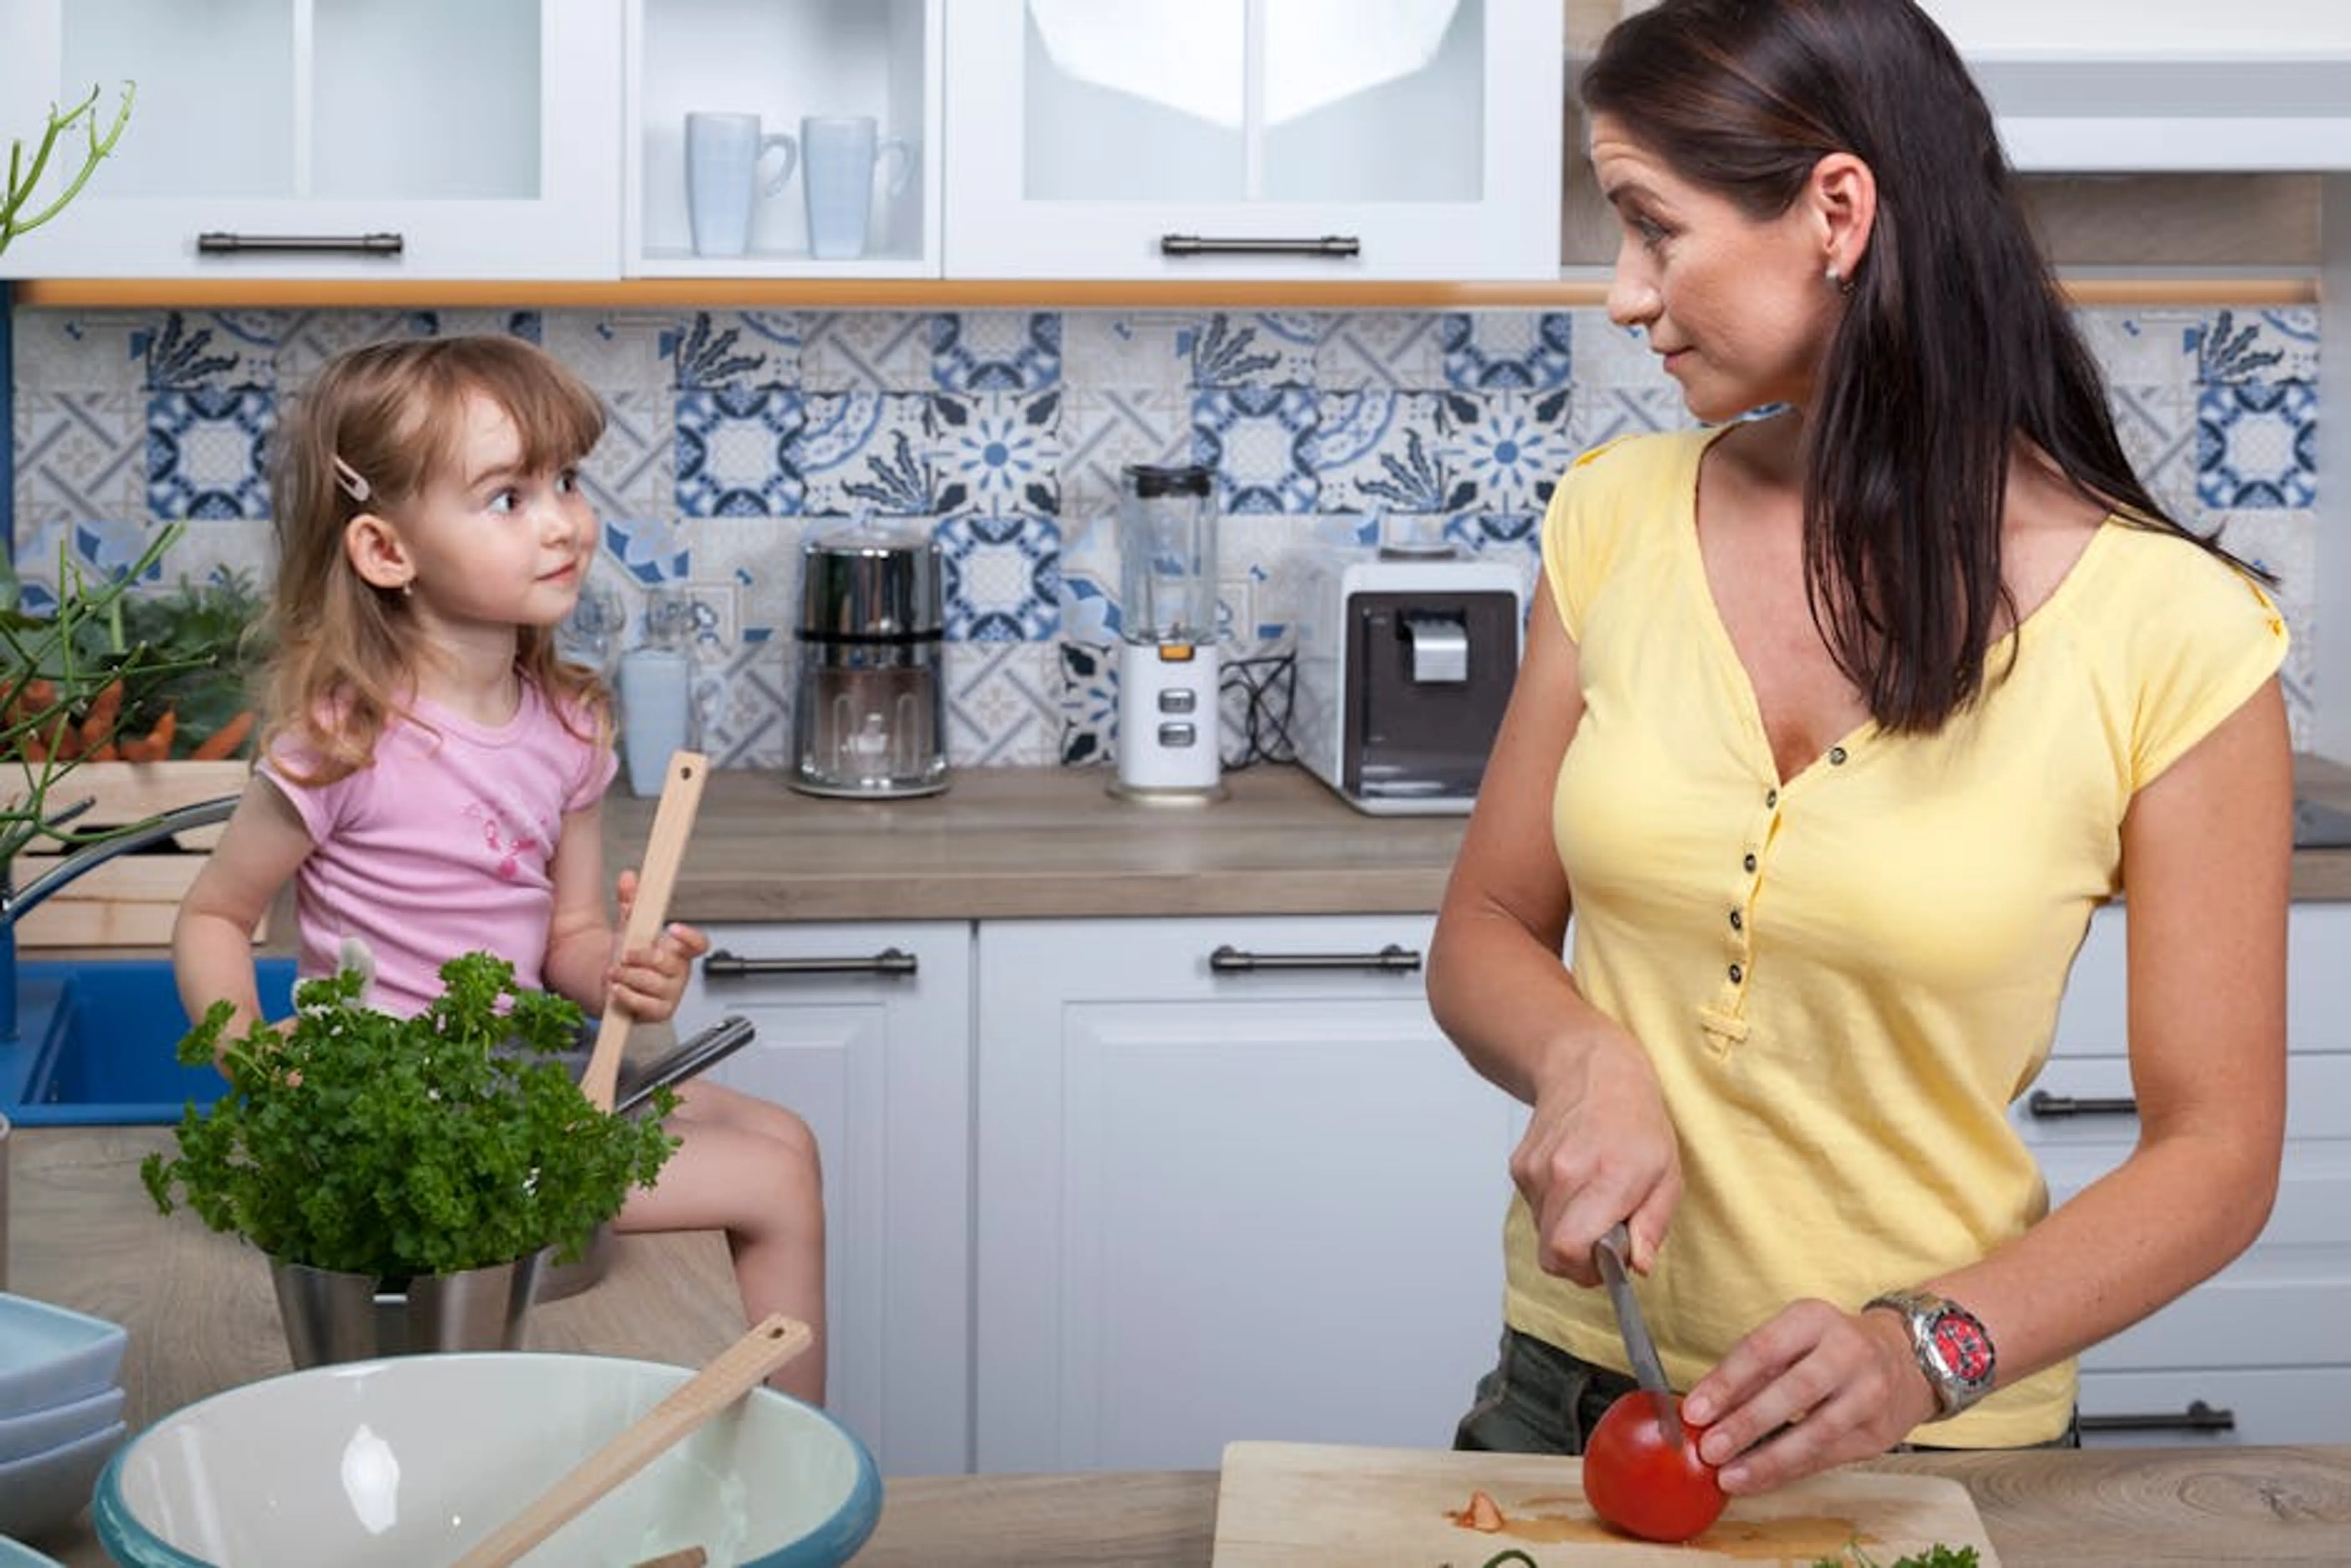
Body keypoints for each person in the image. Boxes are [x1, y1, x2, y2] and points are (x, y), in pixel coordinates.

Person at [1427, 0, 2290, 1496]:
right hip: (1575, 1387)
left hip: (1935, 1438)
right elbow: (1487, 924)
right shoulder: (1613, 515)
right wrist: (1584, 1055)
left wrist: (1920, 1347)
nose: (1624, 295)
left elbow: (2214, 1151)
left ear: (1835, 209)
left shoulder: (2176, 632)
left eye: (1651, 227)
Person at [173, 334, 829, 1403]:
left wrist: (624, 967)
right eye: (507, 497)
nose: (563, 520)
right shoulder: (345, 740)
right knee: (774, 1172)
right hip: (405, 1124)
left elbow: (564, 938)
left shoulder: (568, 725)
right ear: (387, 551)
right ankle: (802, 1460)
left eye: (565, 481)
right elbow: (214, 914)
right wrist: (254, 1062)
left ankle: (790, 1454)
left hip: (509, 1093)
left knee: (782, 1132)